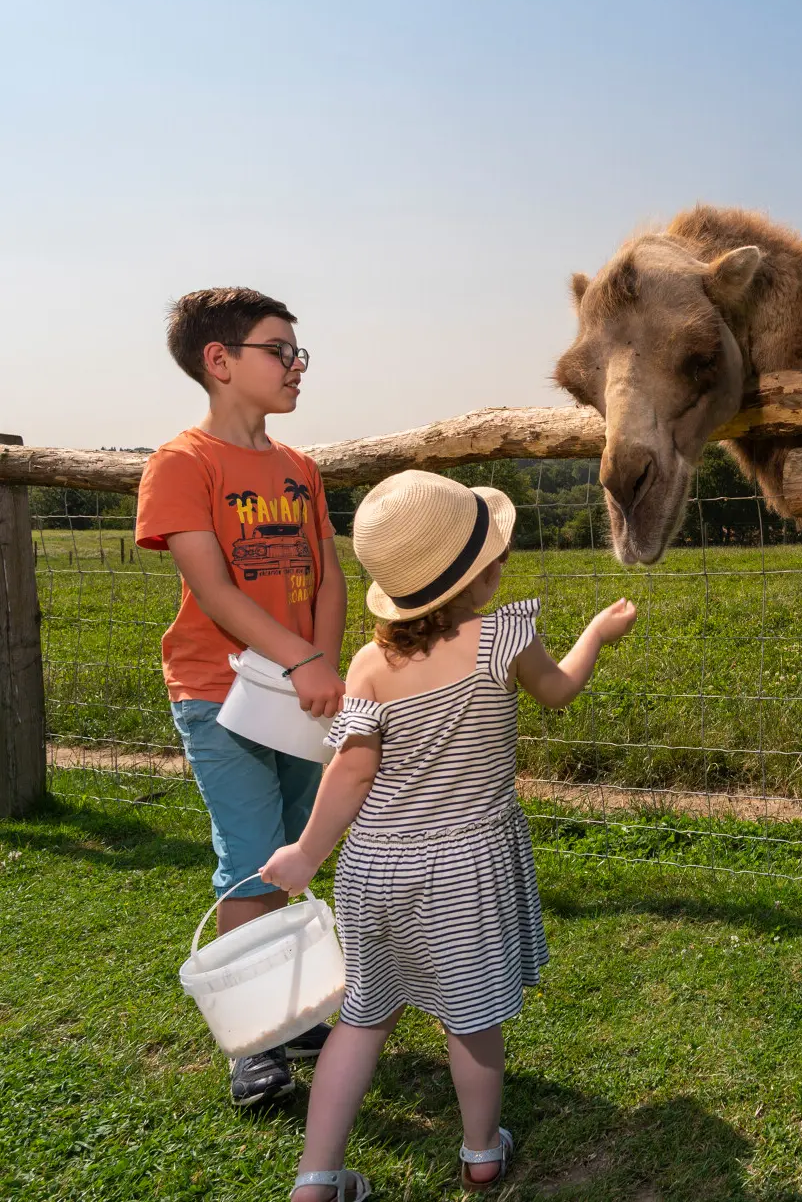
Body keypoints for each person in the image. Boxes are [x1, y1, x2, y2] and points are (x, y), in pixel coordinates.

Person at [261, 469, 638, 1202]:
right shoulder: (502, 637)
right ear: (481, 574)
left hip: (373, 867)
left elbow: (350, 772)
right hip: (464, 869)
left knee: (362, 1020)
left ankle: (314, 1181)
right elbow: (558, 689)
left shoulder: (370, 664)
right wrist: (597, 631)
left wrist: (307, 852)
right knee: (471, 1023)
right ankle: (479, 1153)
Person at [134, 287, 347, 1107]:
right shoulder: (182, 464)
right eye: (278, 349)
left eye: (299, 351)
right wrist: (302, 662)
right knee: (252, 860)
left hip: (301, 685)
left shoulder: (300, 468)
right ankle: (252, 1045)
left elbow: (326, 571)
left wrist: (321, 661)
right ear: (218, 362)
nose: (296, 365)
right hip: (219, 694)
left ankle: (288, 1014)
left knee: (291, 853)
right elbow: (215, 589)